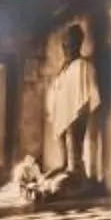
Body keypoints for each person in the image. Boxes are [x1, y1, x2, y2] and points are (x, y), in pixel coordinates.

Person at [45, 24, 103, 189]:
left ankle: (75, 177)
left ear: (78, 43)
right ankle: (64, 173)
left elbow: (87, 93)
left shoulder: (83, 65)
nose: (66, 48)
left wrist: (79, 114)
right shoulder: (65, 68)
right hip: (63, 115)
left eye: (69, 43)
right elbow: (58, 90)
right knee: (64, 154)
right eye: (64, 44)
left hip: (76, 115)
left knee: (73, 150)